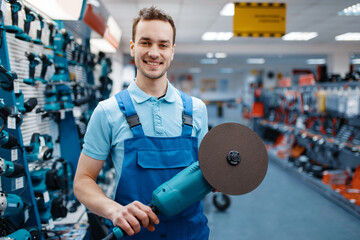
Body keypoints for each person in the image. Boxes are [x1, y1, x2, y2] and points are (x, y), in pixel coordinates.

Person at [73, 6, 209, 240]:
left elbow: (208, 171)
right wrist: (114, 211)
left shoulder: (197, 110)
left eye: (163, 45)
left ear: (172, 51)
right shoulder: (108, 111)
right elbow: (82, 181)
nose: (154, 52)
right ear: (133, 47)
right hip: (133, 234)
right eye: (146, 43)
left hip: (191, 233)